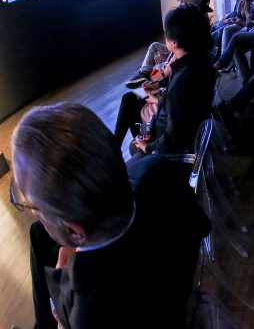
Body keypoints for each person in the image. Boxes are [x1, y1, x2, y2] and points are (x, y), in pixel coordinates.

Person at [12, 103, 209, 329]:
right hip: (176, 289)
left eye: (34, 209)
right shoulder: (156, 168)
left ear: (76, 233)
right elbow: (202, 225)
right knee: (39, 233)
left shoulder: (87, 313)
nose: (37, 216)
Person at [128, 4, 216, 160]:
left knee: (133, 147)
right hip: (186, 136)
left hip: (171, 153)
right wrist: (160, 96)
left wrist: (146, 147)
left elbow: (172, 137)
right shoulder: (200, 60)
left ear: (174, 42)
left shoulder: (182, 79)